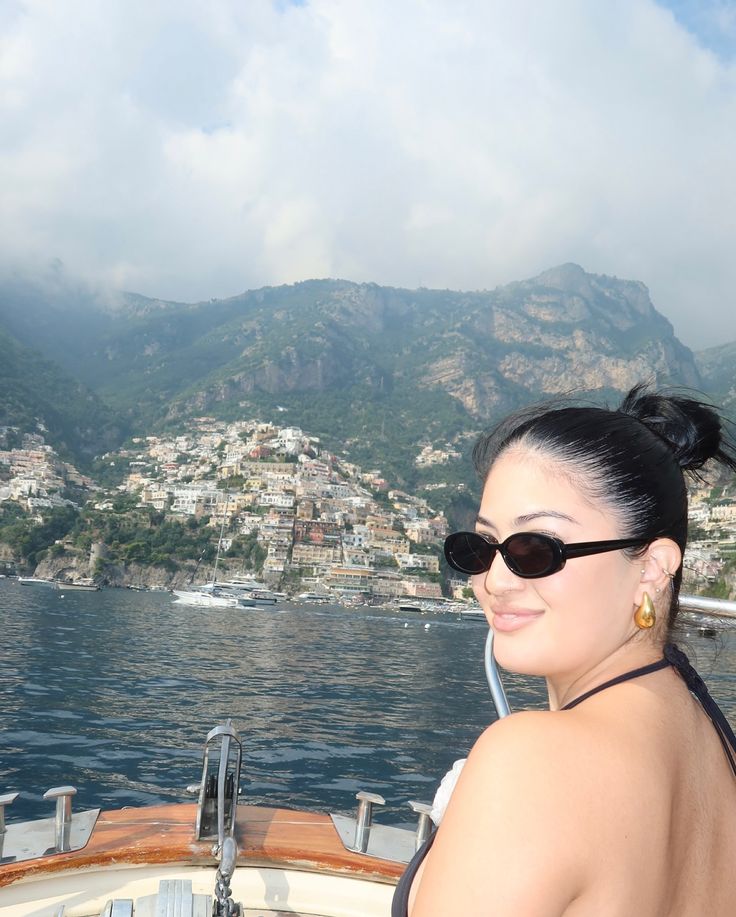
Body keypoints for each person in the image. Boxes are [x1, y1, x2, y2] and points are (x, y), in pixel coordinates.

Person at [393, 383, 736, 916]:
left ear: (651, 567)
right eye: (481, 548)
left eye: (535, 550)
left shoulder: (531, 761)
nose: (494, 582)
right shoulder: (712, 740)